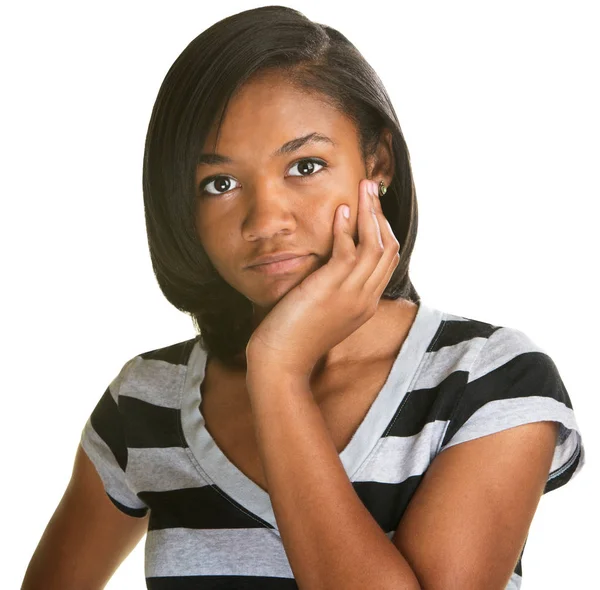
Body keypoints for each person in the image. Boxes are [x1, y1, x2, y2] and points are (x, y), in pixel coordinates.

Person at [22, 5, 585, 590]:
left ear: (379, 163)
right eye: (220, 184)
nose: (266, 220)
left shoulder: (489, 380)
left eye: (305, 165)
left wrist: (279, 371)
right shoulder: (144, 403)